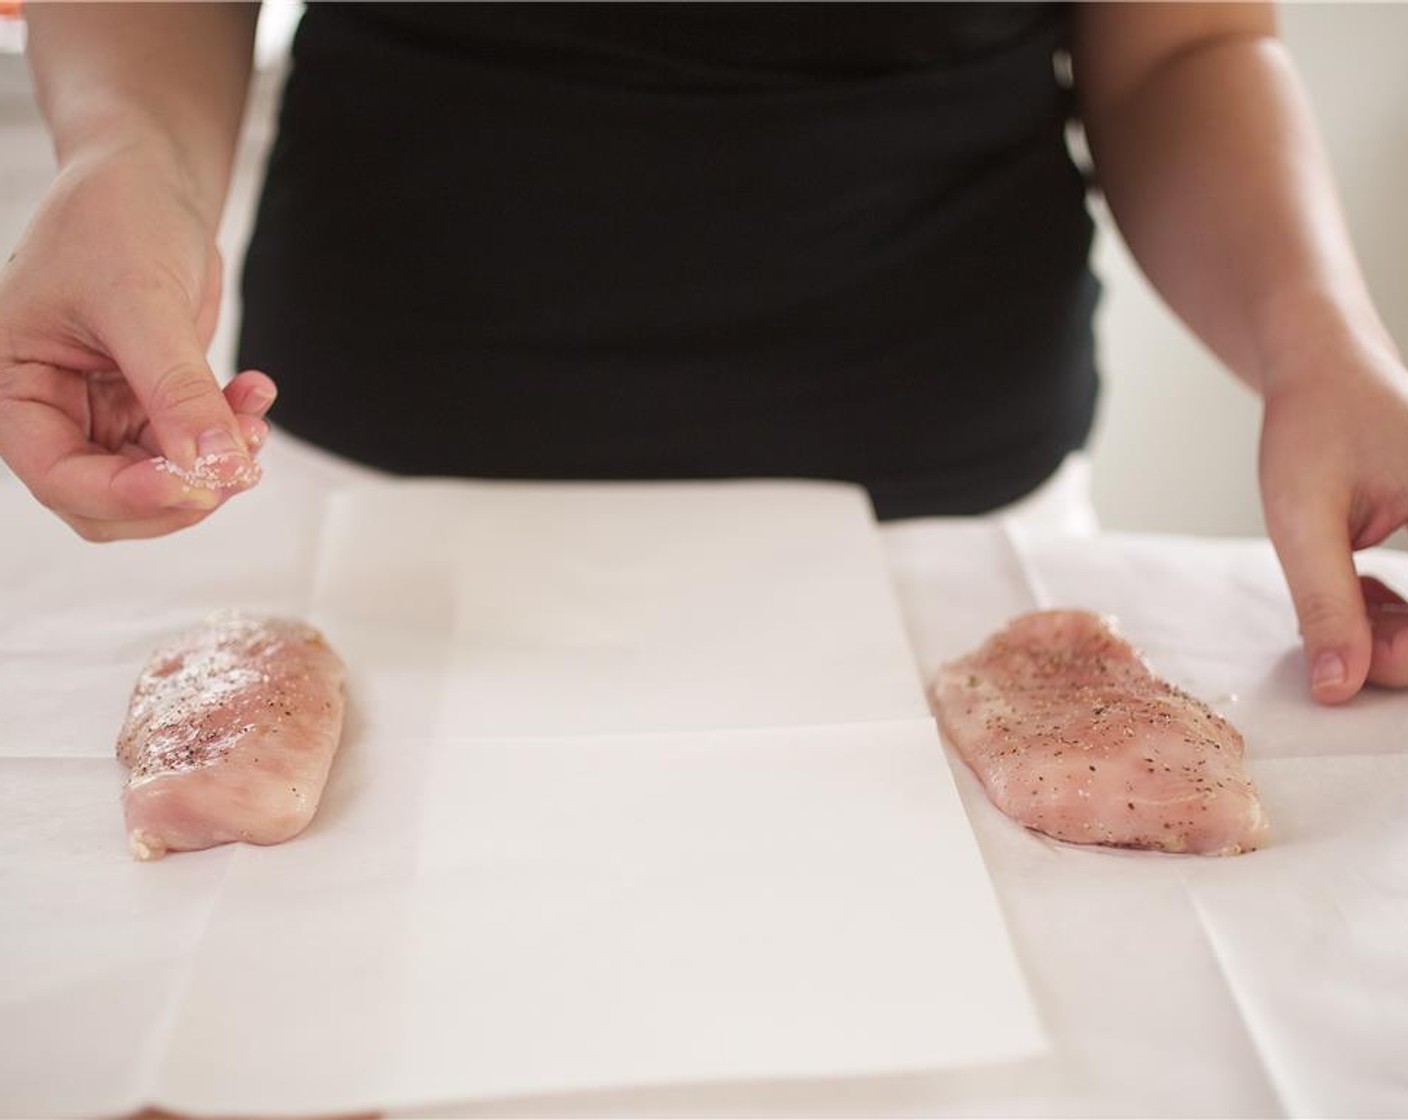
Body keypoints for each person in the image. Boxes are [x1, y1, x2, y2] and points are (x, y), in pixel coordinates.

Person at [2, 2, 1407, 705]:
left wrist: (1316, 344)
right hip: (360, 462)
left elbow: (1183, 43)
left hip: (948, 510)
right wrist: (126, 151)